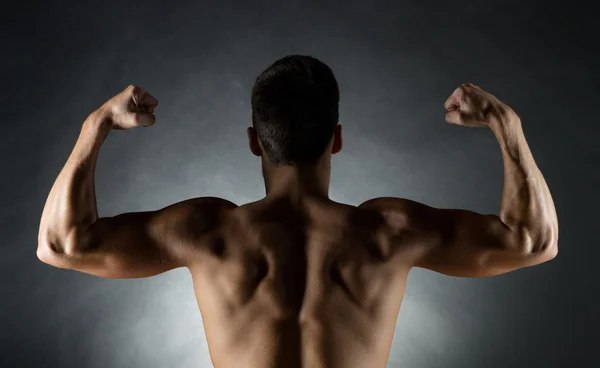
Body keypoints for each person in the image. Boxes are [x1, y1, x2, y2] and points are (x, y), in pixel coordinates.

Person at [37, 55, 558, 368]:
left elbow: (61, 244)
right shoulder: (388, 231)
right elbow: (534, 242)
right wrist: (504, 123)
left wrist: (97, 124)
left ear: (253, 143)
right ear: (336, 140)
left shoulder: (210, 232)